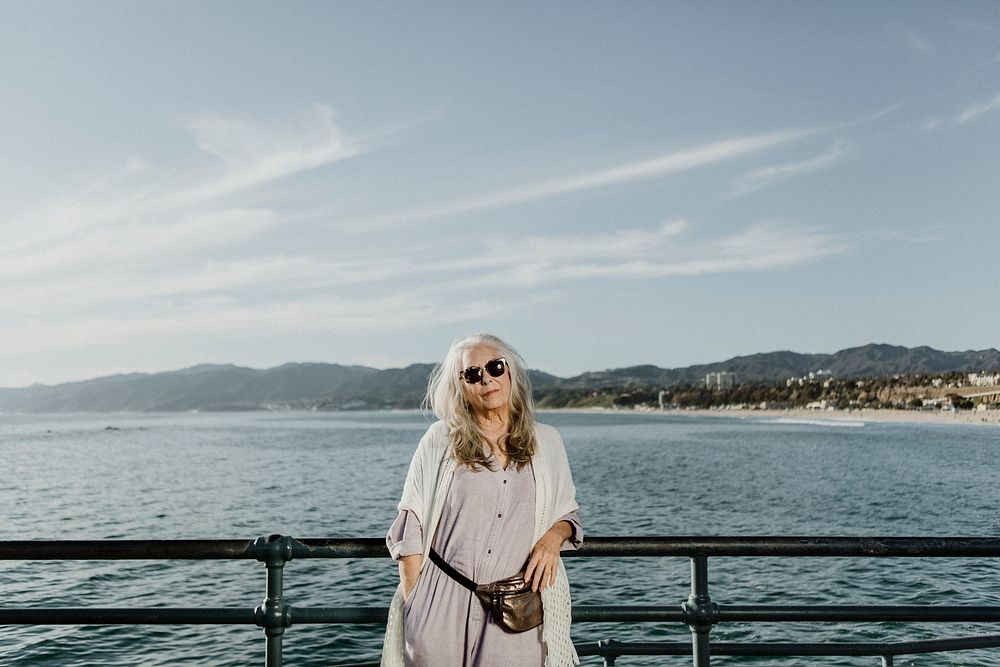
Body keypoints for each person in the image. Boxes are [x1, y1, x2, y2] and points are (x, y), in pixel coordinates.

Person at [381, 333, 582, 667]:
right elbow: (410, 526)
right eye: (472, 374)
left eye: (495, 367)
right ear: (461, 387)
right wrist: (416, 601)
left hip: (515, 610)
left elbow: (569, 515)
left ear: (511, 372)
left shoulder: (548, 442)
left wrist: (553, 537)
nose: (487, 378)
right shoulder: (440, 440)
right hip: (440, 602)